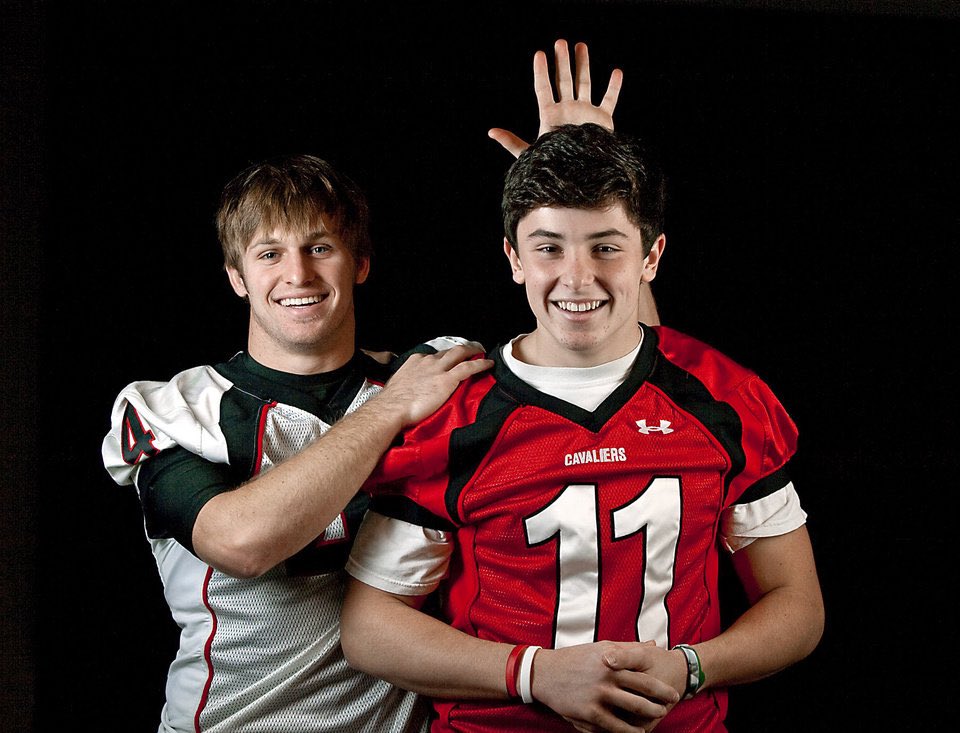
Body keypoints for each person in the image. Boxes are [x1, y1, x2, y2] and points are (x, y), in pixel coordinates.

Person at [101, 41, 666, 733]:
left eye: (321, 246)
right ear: (236, 276)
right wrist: (392, 407)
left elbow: (623, 361)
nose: (299, 275)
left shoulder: (436, 370)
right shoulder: (175, 404)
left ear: (360, 261)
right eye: (270, 253)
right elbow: (242, 541)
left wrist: (586, 192)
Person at [340, 123, 825, 733]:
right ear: (513, 258)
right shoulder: (456, 414)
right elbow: (368, 627)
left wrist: (692, 667)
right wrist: (533, 673)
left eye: (605, 247)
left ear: (651, 256)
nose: (576, 277)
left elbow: (797, 605)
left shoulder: (720, 396)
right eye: (549, 248)